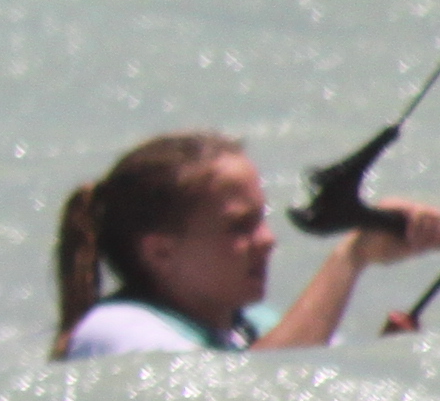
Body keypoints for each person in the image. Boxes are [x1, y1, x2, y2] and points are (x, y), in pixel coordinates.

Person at [51, 128, 440, 357]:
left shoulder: (260, 326)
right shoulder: (115, 332)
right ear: (161, 253)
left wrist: (386, 357)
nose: (268, 241)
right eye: (240, 227)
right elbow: (254, 395)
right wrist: (351, 258)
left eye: (262, 220)